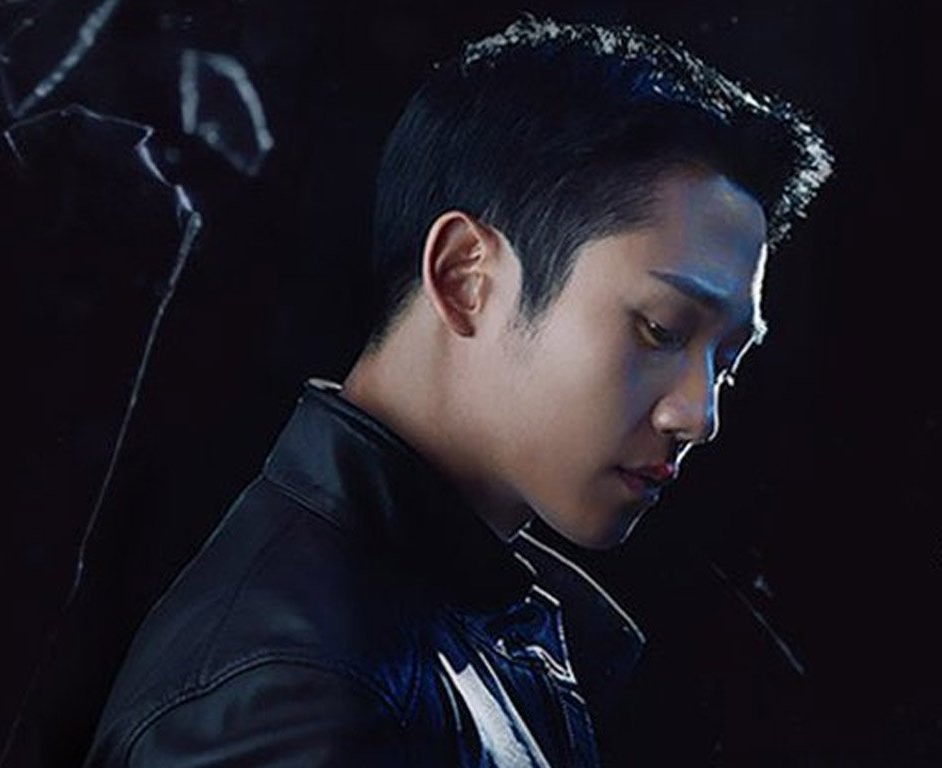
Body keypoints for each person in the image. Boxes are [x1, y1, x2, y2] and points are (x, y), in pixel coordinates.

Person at [83, 15, 832, 767]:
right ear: (466, 277)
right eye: (661, 330)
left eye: (726, 361)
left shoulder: (444, 630)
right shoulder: (294, 693)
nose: (699, 415)